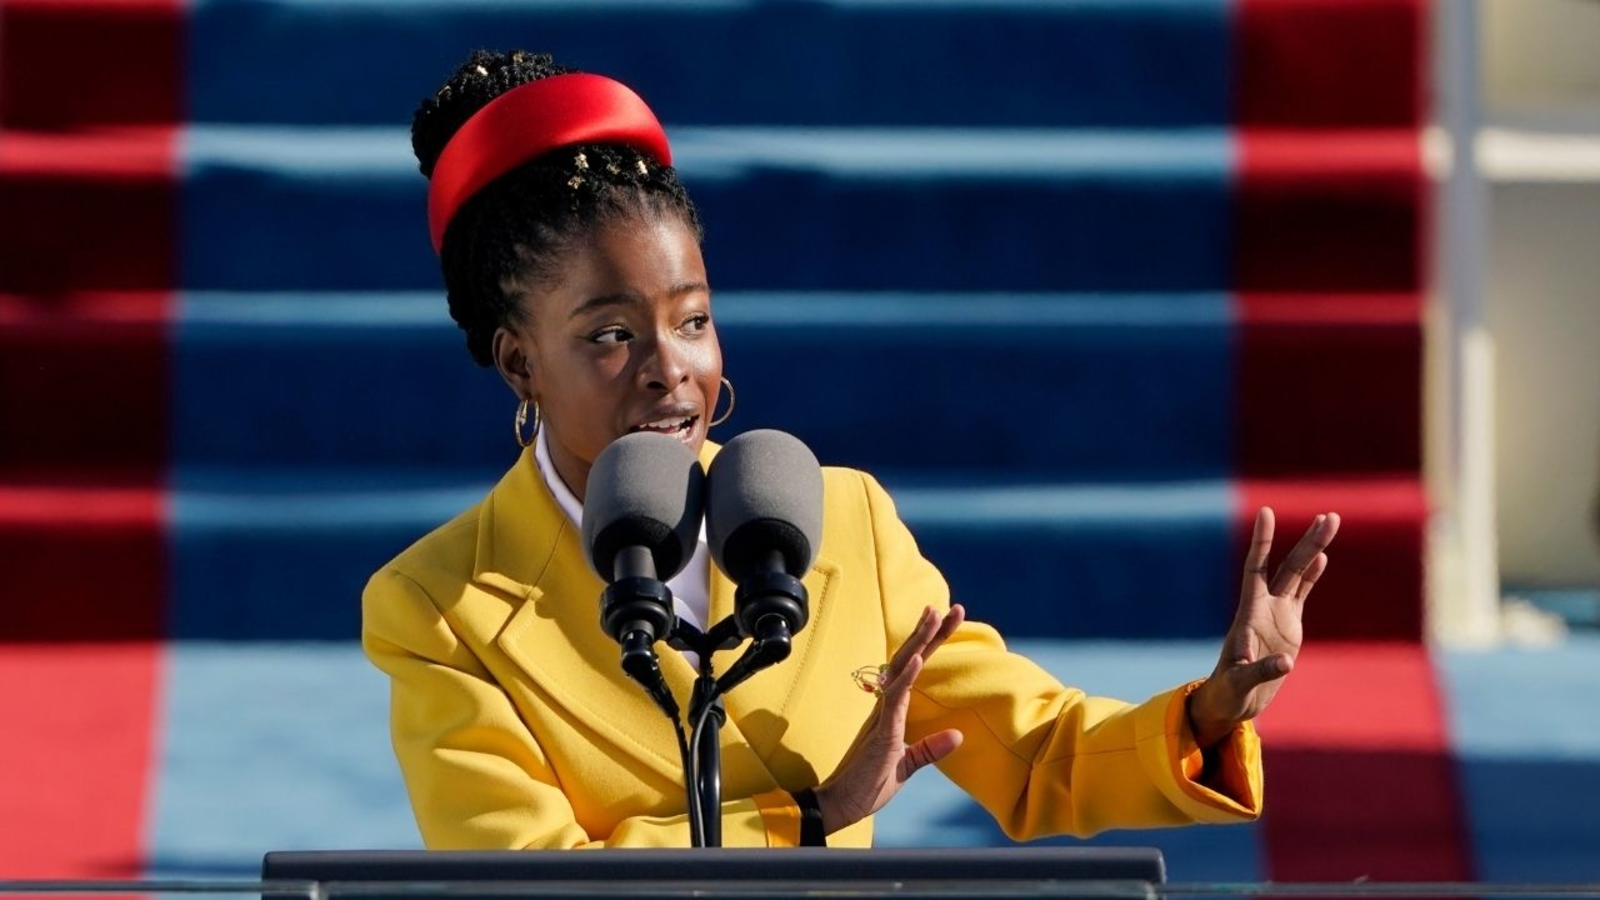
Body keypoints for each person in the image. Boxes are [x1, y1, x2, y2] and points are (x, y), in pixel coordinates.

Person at [363, 49, 1342, 850]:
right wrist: (812, 820)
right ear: (518, 363)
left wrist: (1211, 714)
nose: (672, 371)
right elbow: (527, 884)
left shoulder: (838, 524)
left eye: (693, 321)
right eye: (612, 335)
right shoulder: (441, 609)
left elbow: (1038, 756)